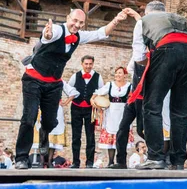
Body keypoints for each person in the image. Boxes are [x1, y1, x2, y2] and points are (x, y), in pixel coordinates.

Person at [14, 9, 127, 169]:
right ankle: (21, 158)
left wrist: (116, 19)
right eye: (74, 21)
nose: (77, 25)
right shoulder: (58, 30)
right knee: (29, 117)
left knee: (50, 121)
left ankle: (45, 133)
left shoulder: (78, 37)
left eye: (81, 23)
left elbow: (100, 33)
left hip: (54, 84)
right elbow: (47, 37)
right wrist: (46, 35)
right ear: (68, 18)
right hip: (33, 79)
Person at [125, 1, 187, 170]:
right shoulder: (181, 21)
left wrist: (156, 68)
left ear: (147, 12)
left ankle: (155, 157)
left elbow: (139, 56)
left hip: (166, 50)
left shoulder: (143, 21)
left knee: (152, 106)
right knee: (181, 111)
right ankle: (178, 160)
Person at [109, 52, 146, 169]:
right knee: (122, 129)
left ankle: (158, 156)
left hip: (144, 99)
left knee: (142, 130)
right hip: (132, 98)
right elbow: (130, 69)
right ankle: (121, 161)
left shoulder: (153, 58)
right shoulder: (136, 56)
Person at [67, 55, 104, 169]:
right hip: (76, 108)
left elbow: (101, 91)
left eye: (90, 64)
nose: (88, 66)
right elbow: (68, 89)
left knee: (90, 136)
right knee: (75, 136)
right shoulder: (75, 76)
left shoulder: (98, 77)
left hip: (90, 109)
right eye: (86, 64)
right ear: (82, 64)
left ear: (93, 64)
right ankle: (75, 162)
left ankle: (89, 162)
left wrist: (97, 102)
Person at [32, 80, 79, 168]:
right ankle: (41, 161)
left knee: (53, 134)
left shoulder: (60, 81)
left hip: (56, 109)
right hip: (43, 107)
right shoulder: (42, 79)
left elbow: (73, 92)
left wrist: (66, 102)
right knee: (42, 134)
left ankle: (50, 161)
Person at [92, 66, 132, 167]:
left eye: (120, 73)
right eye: (116, 73)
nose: (118, 75)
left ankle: (121, 161)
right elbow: (96, 94)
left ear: (125, 75)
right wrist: (94, 101)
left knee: (122, 134)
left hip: (123, 110)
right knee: (111, 135)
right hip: (111, 111)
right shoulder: (109, 85)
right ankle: (110, 161)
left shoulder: (129, 86)